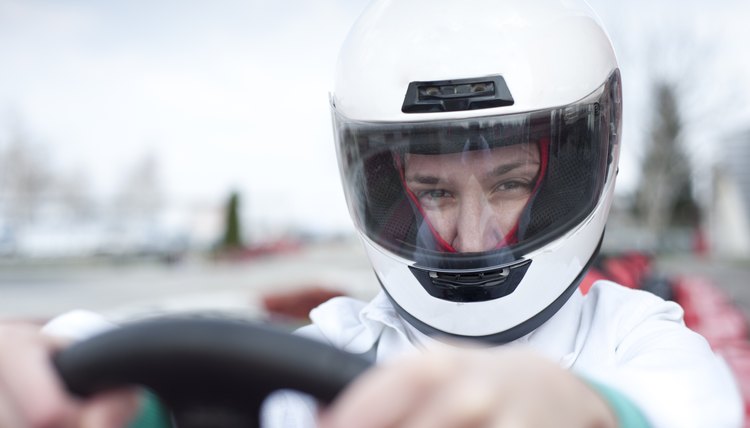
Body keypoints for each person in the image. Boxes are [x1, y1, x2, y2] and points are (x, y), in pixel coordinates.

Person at [0, 0, 743, 427]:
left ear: (584, 167)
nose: (473, 233)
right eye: (437, 193)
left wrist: (584, 413)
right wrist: (49, 365)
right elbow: (156, 363)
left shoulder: (644, 346)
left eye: (512, 182)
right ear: (388, 188)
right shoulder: (339, 346)